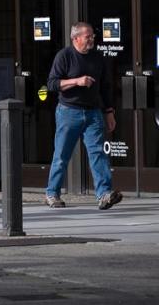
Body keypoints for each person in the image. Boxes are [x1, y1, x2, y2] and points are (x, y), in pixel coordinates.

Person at [45, 22, 123, 210]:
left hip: (93, 112)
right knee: (62, 154)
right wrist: (76, 81)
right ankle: (52, 193)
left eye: (92, 36)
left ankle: (104, 194)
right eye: (88, 36)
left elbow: (105, 86)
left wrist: (109, 112)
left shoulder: (97, 58)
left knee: (98, 153)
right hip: (68, 112)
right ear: (76, 38)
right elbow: (52, 84)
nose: (92, 39)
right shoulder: (65, 56)